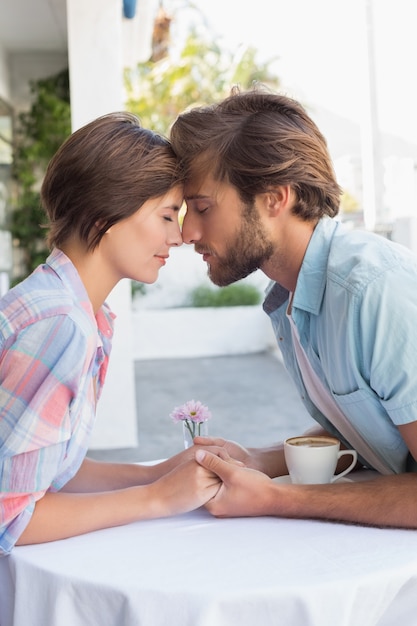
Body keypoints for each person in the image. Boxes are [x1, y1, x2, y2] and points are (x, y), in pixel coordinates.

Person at [169, 85, 417, 529]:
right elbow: (376, 431)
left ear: (274, 198)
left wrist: (277, 498)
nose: (187, 232)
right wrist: (259, 460)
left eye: (202, 207)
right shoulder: (289, 297)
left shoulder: (372, 292)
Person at [0, 112, 222, 557]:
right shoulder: (59, 325)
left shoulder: (74, 312)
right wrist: (156, 498)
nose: (178, 236)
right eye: (165, 215)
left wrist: (157, 473)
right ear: (105, 211)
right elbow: (11, 515)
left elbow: (46, 472)